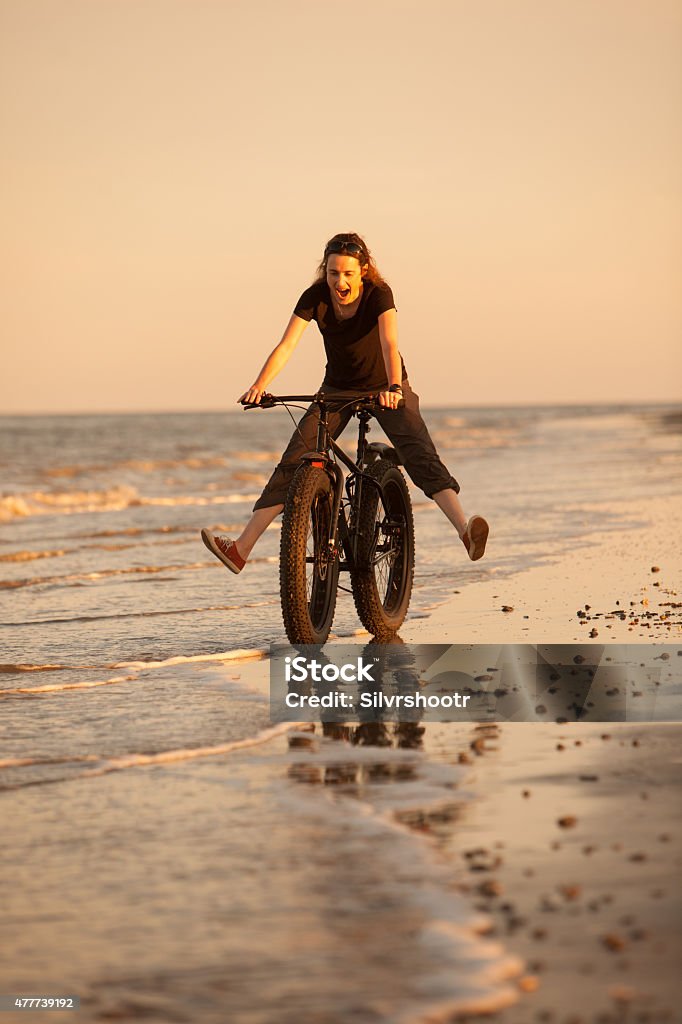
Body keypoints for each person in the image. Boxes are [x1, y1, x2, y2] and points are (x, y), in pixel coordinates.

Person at [201, 233, 488, 574]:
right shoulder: (315, 296)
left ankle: (464, 532)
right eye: (334, 273)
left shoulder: (379, 294)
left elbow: (389, 341)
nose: (340, 281)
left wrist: (394, 386)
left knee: (418, 452)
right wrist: (260, 386)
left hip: (385, 385)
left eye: (348, 274)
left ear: (363, 271)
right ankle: (241, 549)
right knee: (296, 458)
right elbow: (287, 345)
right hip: (337, 387)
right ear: (326, 271)